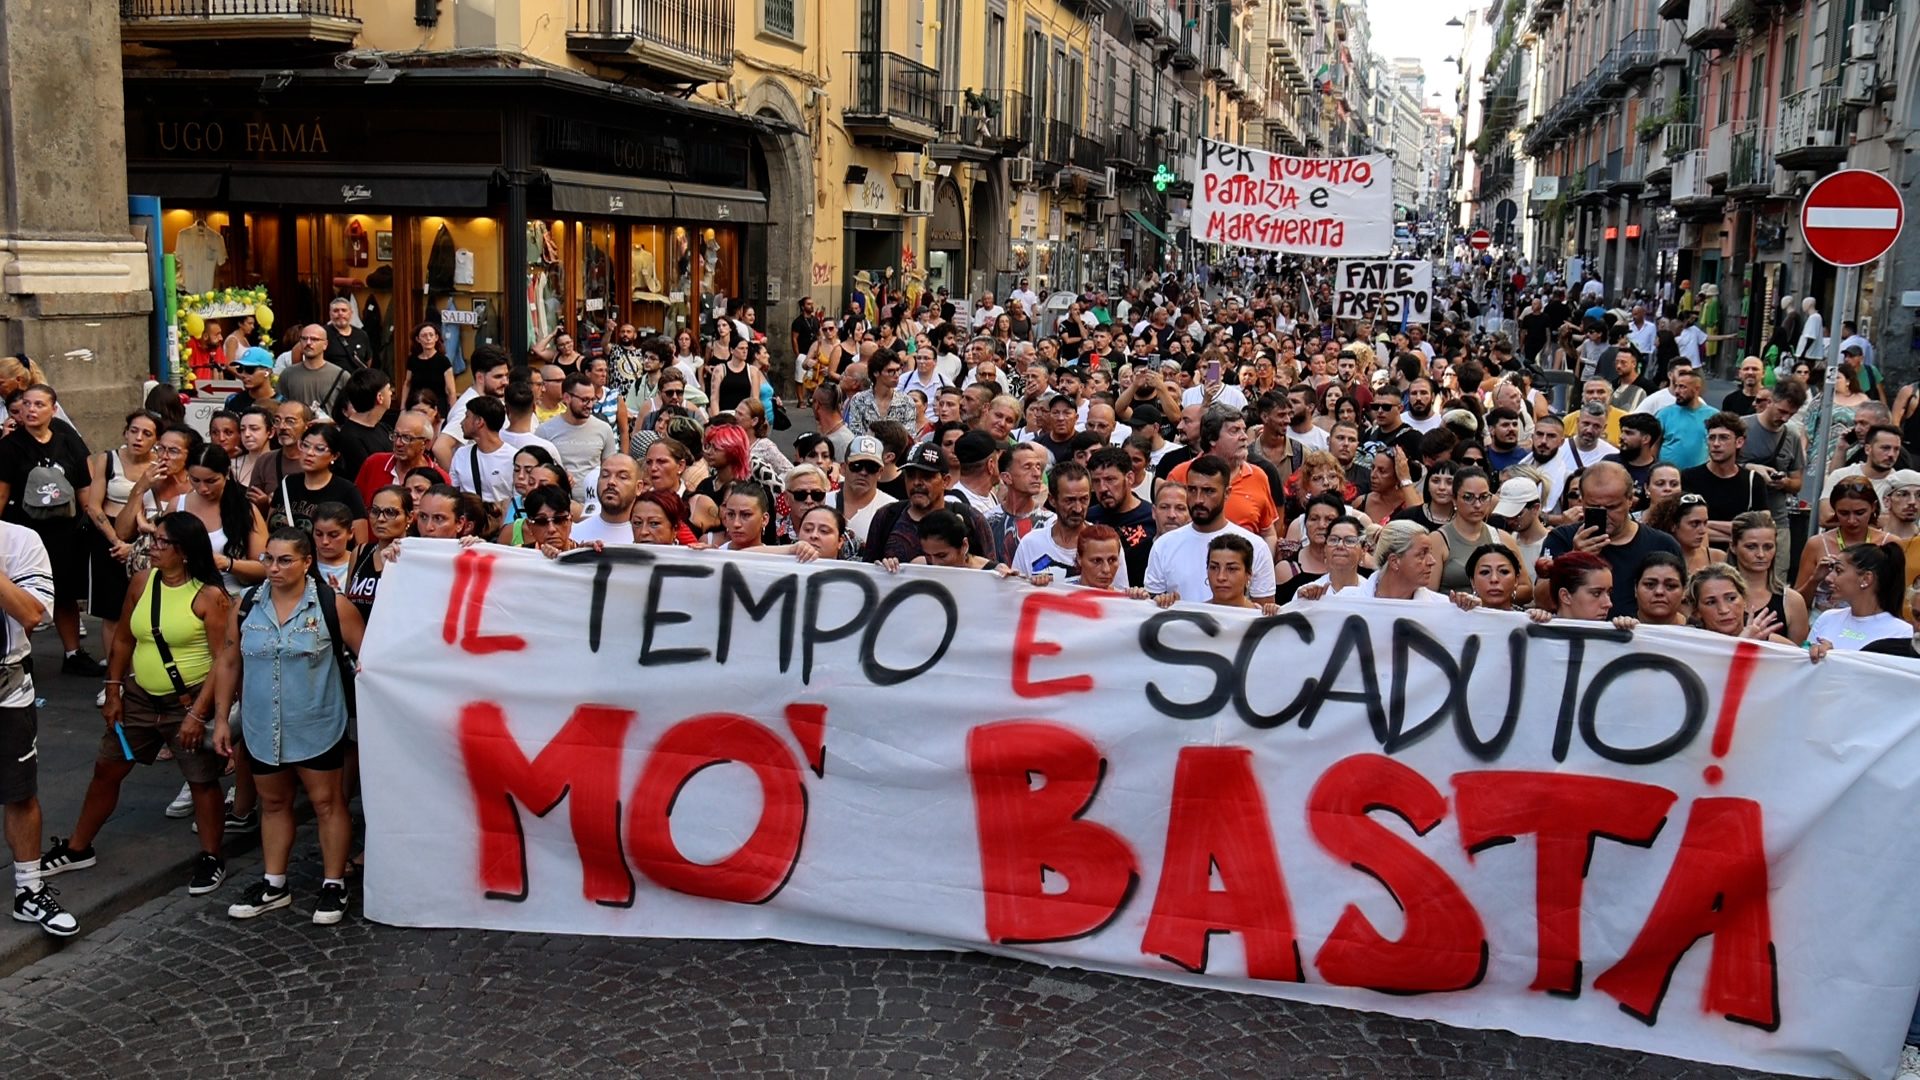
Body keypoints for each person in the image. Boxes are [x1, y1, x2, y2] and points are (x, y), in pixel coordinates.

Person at [40, 512, 233, 895]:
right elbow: (125, 638)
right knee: (107, 769)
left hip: (188, 699)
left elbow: (223, 661)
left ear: (185, 551)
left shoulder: (210, 597)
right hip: (141, 696)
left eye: (162, 543)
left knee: (201, 780)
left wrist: (200, 713)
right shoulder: (143, 582)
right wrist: (113, 690)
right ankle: (79, 848)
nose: (152, 549)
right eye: (153, 541)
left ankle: (212, 857)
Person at [213, 527, 366, 924]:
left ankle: (333, 884)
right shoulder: (246, 604)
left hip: (316, 722)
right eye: (268, 559)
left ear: (306, 563)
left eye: (285, 560)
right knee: (274, 803)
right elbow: (229, 663)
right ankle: (274, 883)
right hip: (263, 725)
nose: (274, 568)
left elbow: (368, 661)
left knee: (327, 802)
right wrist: (220, 719)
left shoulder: (333, 606)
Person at [0, 515, 74, 935]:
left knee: (20, 791)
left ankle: (29, 890)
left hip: (6, 687)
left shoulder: (20, 540)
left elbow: (32, 614)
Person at [0, 384, 100, 674]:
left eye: (39, 404)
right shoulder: (9, 447)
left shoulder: (69, 442)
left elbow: (85, 488)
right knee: (21, 594)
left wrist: (91, 523)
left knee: (65, 593)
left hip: (64, 533)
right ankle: (19, 655)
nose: (32, 410)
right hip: (24, 532)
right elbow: (2, 494)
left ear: (54, 409)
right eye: (27, 405)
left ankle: (73, 653)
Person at [1540, 461, 1682, 617]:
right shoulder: (1561, 538)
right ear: (1582, 500)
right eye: (1594, 507)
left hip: (1637, 637)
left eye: (1612, 507)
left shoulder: (1663, 544)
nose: (1604, 514)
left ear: (1630, 500)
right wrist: (1575, 559)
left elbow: (1680, 607)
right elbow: (1542, 601)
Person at [1143, 455, 1277, 605]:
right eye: (1192, 490)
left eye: (1208, 491)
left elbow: (1265, 614)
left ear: (1227, 493)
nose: (1199, 499)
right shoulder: (1164, 545)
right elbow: (1151, 608)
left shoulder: (1255, 546)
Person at [1796, 478, 1890, 618]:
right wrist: (1815, 579)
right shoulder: (1817, 544)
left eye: (1860, 513)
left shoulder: (1888, 543)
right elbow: (1797, 602)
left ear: (1874, 507)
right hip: (1823, 624)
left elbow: (1897, 597)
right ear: (1834, 510)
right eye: (1844, 513)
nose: (1852, 520)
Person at [1807, 542, 1909, 657]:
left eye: (1839, 571)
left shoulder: (1901, 633)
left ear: (1866, 579)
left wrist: (1835, 659)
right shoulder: (1827, 618)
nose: (1829, 578)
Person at [1728, 512, 1809, 644]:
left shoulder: (1792, 601)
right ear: (1733, 546)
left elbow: (1799, 657)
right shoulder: (1715, 595)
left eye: (1768, 547)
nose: (1761, 554)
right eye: (1751, 546)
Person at [278, 326, 351, 420]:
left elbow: (351, 412)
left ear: (325, 344)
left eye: (314, 339)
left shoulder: (341, 376)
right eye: (304, 339)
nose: (308, 343)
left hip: (329, 432)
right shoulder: (288, 374)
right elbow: (280, 407)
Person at [1630, 551, 1688, 626]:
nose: (1659, 592)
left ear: (1684, 591)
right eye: (1649, 584)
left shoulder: (1700, 632)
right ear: (1635, 589)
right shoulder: (1618, 631)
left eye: (1670, 586)